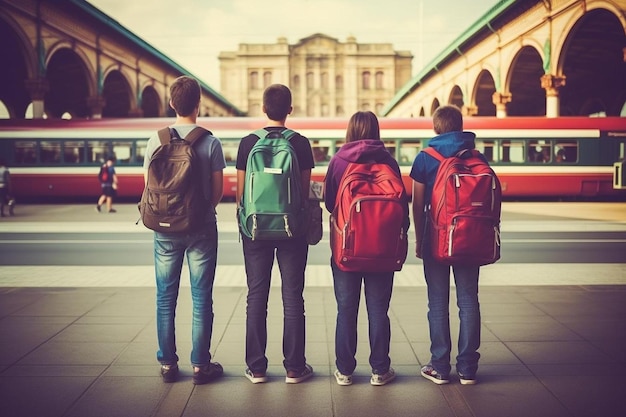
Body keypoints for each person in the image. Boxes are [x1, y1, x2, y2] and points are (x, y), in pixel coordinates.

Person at [143, 75, 226, 385]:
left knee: (165, 297)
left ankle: (167, 363)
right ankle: (200, 366)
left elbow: (148, 187)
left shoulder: (156, 139)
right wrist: (202, 209)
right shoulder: (210, 141)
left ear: (171, 103)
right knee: (201, 298)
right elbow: (217, 191)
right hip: (201, 226)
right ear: (199, 105)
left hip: (164, 229)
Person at [236, 84, 315, 384]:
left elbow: (241, 193)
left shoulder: (247, 143)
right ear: (290, 110)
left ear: (263, 108)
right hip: (292, 228)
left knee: (257, 295)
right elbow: (305, 193)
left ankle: (256, 368)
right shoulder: (301, 144)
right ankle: (295, 367)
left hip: (254, 229)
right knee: (292, 296)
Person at [324, 111, 409, 386]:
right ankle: (380, 370)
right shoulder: (389, 162)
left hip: (347, 248)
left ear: (350, 131)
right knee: (378, 310)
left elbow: (329, 202)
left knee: (346, 309)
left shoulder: (339, 161)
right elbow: (401, 208)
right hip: (383, 249)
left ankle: (345, 371)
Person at [410, 105, 483, 385]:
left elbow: (417, 204)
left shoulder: (425, 159)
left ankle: (440, 366)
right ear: (461, 126)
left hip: (436, 238)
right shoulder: (475, 156)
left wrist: (419, 238)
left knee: (438, 302)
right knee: (468, 301)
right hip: (470, 237)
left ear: (436, 127)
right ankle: (467, 368)